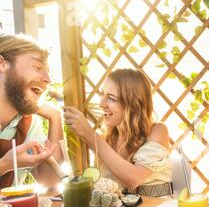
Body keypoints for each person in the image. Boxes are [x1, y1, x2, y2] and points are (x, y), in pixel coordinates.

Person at [64, 68, 172, 196]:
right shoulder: (108, 139)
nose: (101, 104)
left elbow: (134, 179)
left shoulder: (158, 131)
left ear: (133, 104)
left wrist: (90, 135)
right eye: (102, 94)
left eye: (111, 98)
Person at [0, 34, 63, 188]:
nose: (49, 79)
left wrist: (55, 118)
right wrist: (6, 164)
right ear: (2, 64)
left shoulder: (28, 123)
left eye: (48, 72)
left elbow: (51, 181)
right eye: (37, 67)